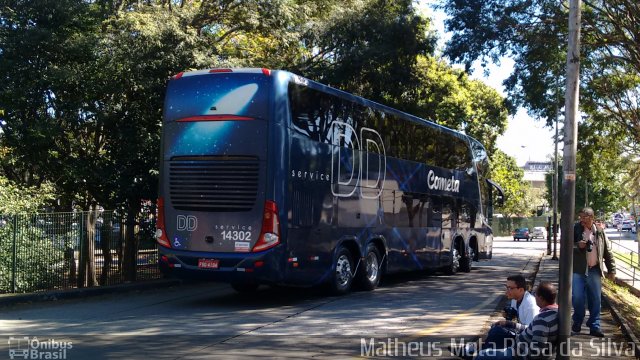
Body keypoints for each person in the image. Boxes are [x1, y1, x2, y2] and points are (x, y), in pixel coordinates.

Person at [474, 281, 559, 360]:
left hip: (517, 354)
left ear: (541, 298)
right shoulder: (554, 312)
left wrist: (518, 356)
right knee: (496, 330)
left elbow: (536, 351)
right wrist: (511, 324)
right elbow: (531, 329)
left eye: (535, 294)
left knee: (483, 354)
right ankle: (472, 350)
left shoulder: (542, 319)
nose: (534, 296)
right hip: (518, 346)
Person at [462, 275, 539, 358]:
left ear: (520, 290)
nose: (507, 291)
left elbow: (531, 331)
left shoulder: (530, 305)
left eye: (510, 288)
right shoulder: (515, 299)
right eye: (507, 287)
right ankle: (472, 351)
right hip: (520, 334)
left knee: (497, 332)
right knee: (495, 327)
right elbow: (514, 315)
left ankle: (476, 353)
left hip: (526, 342)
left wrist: (509, 324)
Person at [572, 207, 616, 337]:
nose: (582, 220)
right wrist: (577, 245)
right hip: (578, 270)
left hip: (594, 269)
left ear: (592, 217)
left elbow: (608, 252)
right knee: (578, 297)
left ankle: (594, 326)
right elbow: (566, 245)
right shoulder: (576, 229)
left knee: (596, 299)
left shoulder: (600, 232)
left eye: (584, 217)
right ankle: (578, 320)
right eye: (580, 217)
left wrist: (611, 270)